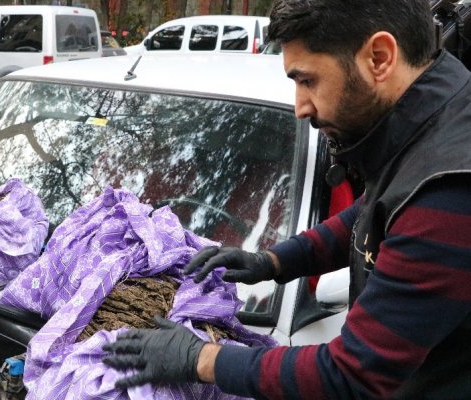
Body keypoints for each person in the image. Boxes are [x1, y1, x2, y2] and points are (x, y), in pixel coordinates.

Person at [102, 0, 471, 398]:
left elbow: (352, 374)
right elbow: (372, 213)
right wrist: (273, 261)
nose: (300, 106)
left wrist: (201, 359)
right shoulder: (430, 123)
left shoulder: (448, 193)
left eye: (307, 80)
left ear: (379, 58)